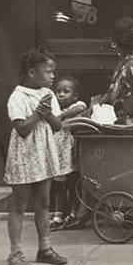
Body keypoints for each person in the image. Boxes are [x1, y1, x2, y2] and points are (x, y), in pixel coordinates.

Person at [4, 49, 67, 265]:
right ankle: (16, 252)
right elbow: (21, 128)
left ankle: (45, 249)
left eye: (53, 72)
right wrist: (38, 114)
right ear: (32, 72)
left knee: (44, 202)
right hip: (23, 155)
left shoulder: (47, 94)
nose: (52, 76)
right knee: (19, 204)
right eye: (48, 71)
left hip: (43, 153)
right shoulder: (18, 96)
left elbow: (58, 125)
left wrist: (48, 113)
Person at [49, 75, 87, 230]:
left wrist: (62, 115)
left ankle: (73, 213)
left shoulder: (77, 105)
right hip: (59, 154)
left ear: (75, 95)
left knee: (73, 184)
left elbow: (81, 108)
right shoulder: (54, 108)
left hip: (73, 153)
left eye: (66, 91)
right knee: (59, 186)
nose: (61, 94)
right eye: (58, 91)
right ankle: (58, 216)